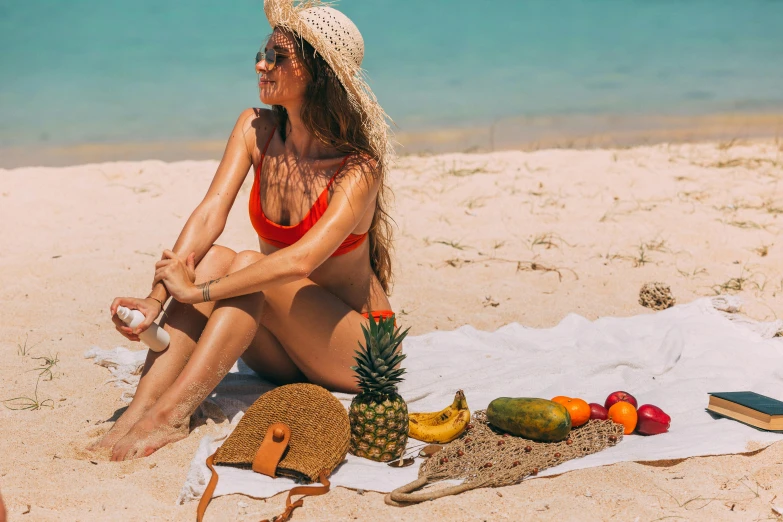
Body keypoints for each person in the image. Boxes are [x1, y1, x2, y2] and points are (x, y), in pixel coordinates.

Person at [95, 0, 397, 461]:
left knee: (248, 266)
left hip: (354, 352)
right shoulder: (254, 128)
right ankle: (139, 412)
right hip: (283, 351)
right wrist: (156, 298)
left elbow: (300, 261)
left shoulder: (357, 170)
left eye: (278, 57)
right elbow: (210, 211)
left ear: (317, 75)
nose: (261, 63)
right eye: (263, 52)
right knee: (215, 257)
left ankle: (170, 417)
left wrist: (196, 294)